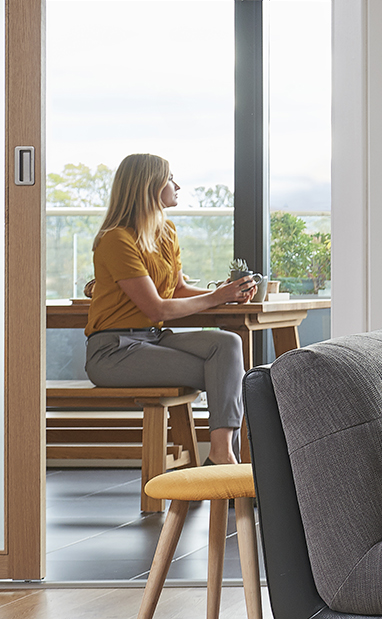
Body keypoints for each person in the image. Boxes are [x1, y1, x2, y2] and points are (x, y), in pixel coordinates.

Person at [84, 152, 259, 466]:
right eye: (169, 178)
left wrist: (230, 295)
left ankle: (220, 453)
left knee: (228, 343)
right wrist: (218, 296)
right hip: (113, 352)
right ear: (148, 187)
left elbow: (177, 291)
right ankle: (224, 459)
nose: (176, 185)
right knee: (226, 374)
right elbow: (156, 308)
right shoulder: (116, 239)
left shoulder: (166, 233)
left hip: (153, 339)